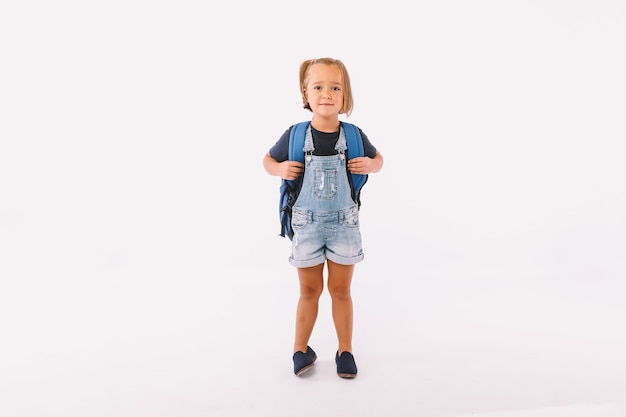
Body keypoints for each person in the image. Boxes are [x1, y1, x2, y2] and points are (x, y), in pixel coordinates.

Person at [263, 57, 384, 378]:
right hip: (306, 225)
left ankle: (345, 351)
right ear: (305, 94)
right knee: (309, 291)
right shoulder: (294, 134)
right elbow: (267, 159)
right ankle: (300, 350)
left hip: (345, 224)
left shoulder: (355, 135)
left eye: (335, 87)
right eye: (318, 87)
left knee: (342, 291)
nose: (327, 94)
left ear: (345, 96)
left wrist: (372, 165)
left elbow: (379, 159)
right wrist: (278, 168)